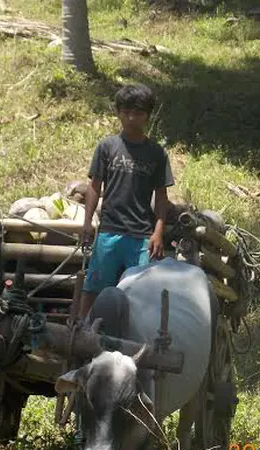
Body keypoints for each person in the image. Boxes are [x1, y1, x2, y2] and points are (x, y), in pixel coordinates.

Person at [76, 83, 174, 323]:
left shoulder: (157, 154)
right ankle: (78, 333)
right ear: (118, 112)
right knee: (93, 288)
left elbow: (161, 197)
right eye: (126, 111)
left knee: (141, 293)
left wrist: (158, 232)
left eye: (138, 113)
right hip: (109, 231)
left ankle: (136, 339)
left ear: (148, 116)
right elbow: (94, 187)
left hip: (141, 236)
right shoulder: (107, 147)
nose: (131, 118)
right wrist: (87, 222)